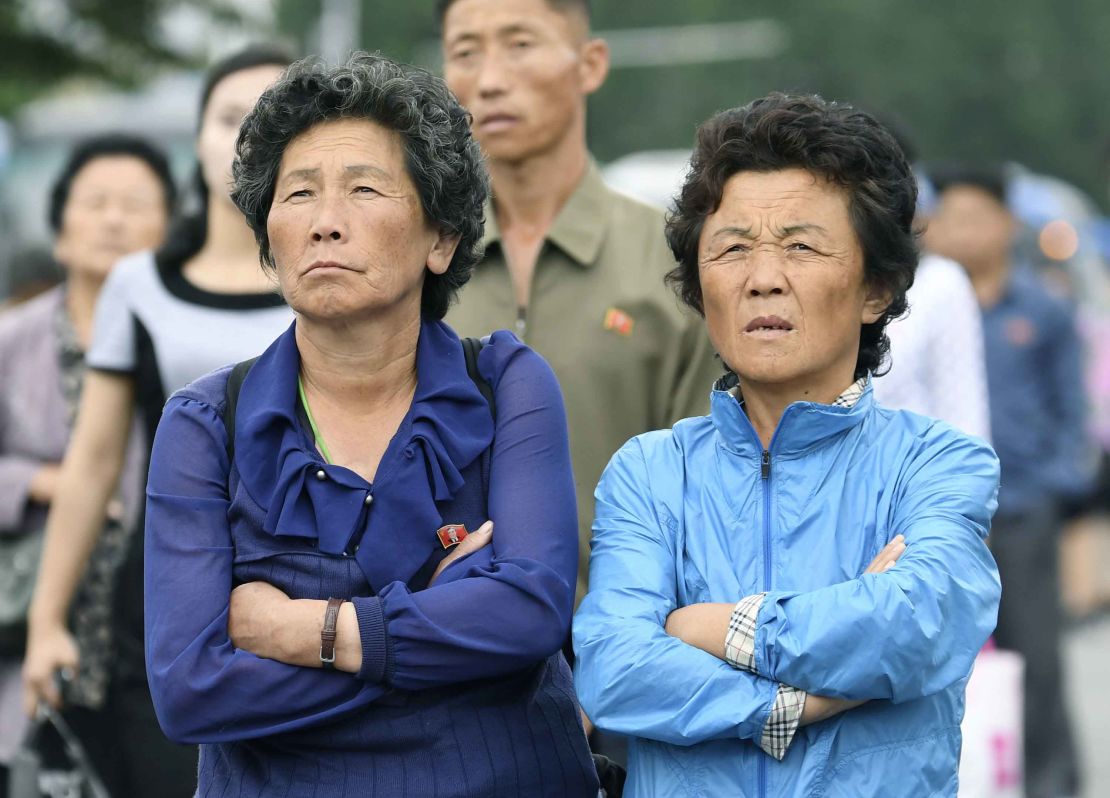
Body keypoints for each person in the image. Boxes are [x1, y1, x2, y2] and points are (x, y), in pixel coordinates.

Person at [143, 53, 597, 798]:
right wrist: (445, 641)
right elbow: (190, 690)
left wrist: (303, 633)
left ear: (440, 239)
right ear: (268, 241)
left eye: (363, 189)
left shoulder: (506, 385)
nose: (325, 223)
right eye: (298, 195)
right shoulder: (205, 424)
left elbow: (531, 614)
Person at [573, 93, 1002, 797]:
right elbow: (613, 673)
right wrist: (787, 706)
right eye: (732, 248)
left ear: (876, 289)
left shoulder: (937, 463)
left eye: (800, 246)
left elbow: (918, 625)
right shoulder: (651, 472)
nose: (762, 277)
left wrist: (712, 627)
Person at [21, 45, 294, 796]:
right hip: (168, 602)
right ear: (197, 138)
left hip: (318, 600)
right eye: (228, 118)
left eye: (270, 118)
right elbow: (95, 461)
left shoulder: (332, 281)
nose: (245, 139)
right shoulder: (141, 287)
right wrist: (49, 622)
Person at [438, 0, 723, 609]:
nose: (489, 79)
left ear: (590, 64)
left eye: (520, 44)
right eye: (465, 52)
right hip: (439, 649)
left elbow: (710, 492)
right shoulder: (416, 264)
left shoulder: (674, 261)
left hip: (627, 651)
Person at [0, 133, 174, 790]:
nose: (113, 219)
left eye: (135, 203)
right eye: (95, 201)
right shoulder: (11, 341)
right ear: (60, 228)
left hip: (143, 659)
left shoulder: (181, 351)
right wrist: (44, 483)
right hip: (25, 647)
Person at [925, 163, 1092, 798]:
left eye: (974, 218)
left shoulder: (1042, 309)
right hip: (945, 519)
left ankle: (1053, 784)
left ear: (1007, 225)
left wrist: (1049, 488)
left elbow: (1072, 412)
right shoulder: (926, 304)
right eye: (949, 218)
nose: (959, 232)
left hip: (1021, 511)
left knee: (1037, 659)